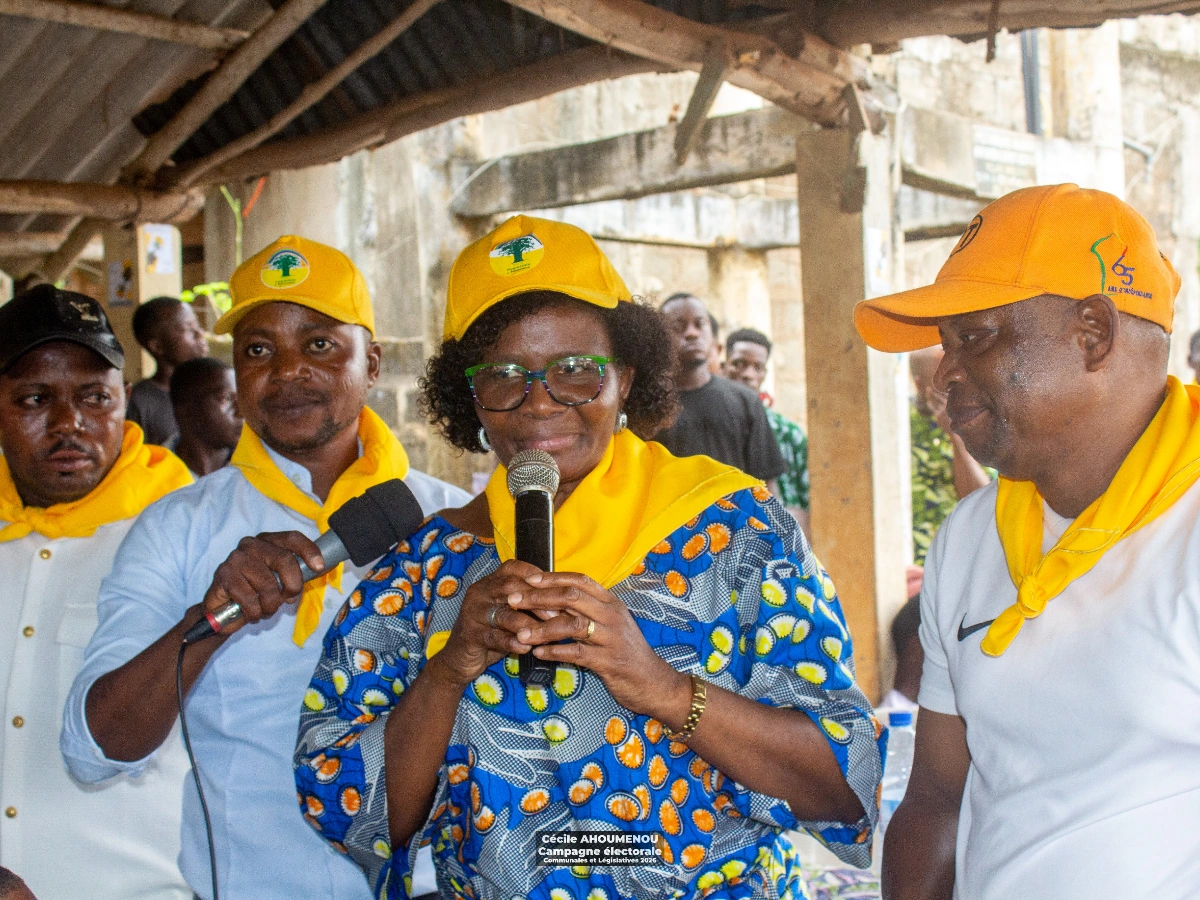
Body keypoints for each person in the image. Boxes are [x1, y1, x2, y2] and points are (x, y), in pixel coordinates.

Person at [293, 215, 884, 900]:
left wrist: (661, 688)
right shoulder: (425, 569)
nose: (541, 404)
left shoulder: (737, 530)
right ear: (470, 397)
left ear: (625, 378)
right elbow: (344, 809)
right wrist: (449, 669)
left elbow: (846, 786)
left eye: (575, 371)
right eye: (504, 377)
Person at [61, 236, 470, 899]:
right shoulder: (177, 527)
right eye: (257, 350)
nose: (287, 371)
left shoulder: (453, 522)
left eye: (319, 344)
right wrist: (208, 622)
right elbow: (93, 749)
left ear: (371, 363)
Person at [855, 184, 1200, 899]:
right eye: (944, 342)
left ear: (1092, 334)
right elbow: (937, 799)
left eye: (974, 336)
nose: (944, 372)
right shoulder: (971, 538)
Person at [0, 286, 193, 900]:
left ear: (125, 400)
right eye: (35, 399)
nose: (69, 424)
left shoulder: (188, 535)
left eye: (94, 398)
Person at [655, 294, 786, 492]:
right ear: (660, 337)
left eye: (700, 324)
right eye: (678, 326)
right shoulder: (648, 405)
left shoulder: (746, 401)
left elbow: (766, 484)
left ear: (713, 336)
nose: (692, 333)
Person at [909, 347, 991, 564]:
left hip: (957, 559)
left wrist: (956, 436)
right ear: (920, 385)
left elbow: (983, 501)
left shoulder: (975, 424)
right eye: (943, 388)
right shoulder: (902, 428)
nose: (954, 395)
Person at [723, 327, 810, 533]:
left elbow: (810, 503)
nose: (748, 375)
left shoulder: (789, 434)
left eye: (758, 367)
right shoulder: (712, 424)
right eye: (739, 364)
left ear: (765, 374)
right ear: (724, 365)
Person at [127, 296, 208, 446]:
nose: (200, 334)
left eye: (197, 326)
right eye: (188, 329)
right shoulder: (140, 401)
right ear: (157, 346)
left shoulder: (215, 389)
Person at [169, 357, 242, 475]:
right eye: (226, 399)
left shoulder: (260, 471)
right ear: (186, 409)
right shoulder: (154, 476)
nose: (242, 412)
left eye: (241, 398)